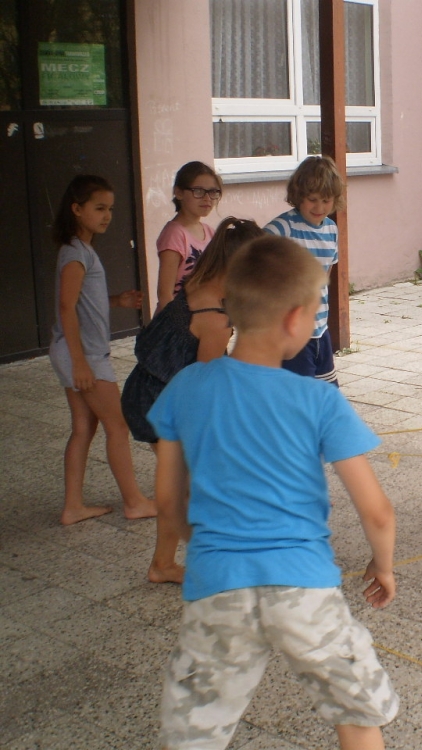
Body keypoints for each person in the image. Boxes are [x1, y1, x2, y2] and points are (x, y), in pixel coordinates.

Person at [148, 235, 399, 750]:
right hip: (305, 589)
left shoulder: (186, 387)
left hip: (217, 586)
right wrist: (384, 565)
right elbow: (376, 511)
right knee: (356, 712)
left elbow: (170, 502)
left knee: (196, 729)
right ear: (295, 319)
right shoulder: (319, 400)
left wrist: (206, 547)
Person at [122, 217, 264, 584]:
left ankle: (168, 562)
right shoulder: (214, 319)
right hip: (159, 401)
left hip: (147, 387)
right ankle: (171, 564)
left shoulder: (198, 282)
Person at [47, 175, 157, 526]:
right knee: (117, 425)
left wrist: (116, 301)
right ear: (77, 209)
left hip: (75, 353)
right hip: (84, 355)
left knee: (84, 427)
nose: (107, 215)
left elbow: (82, 301)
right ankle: (134, 502)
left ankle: (73, 507)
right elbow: (66, 307)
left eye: (109, 208)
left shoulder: (79, 250)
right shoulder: (76, 254)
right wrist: (80, 363)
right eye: (99, 208)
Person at [265, 155, 343, 385]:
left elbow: (325, 275)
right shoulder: (282, 228)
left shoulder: (331, 229)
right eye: (312, 199)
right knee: (299, 399)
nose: (319, 207)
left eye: (326, 200)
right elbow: (251, 265)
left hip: (320, 329)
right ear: (299, 195)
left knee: (326, 395)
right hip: (291, 335)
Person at [155, 161, 223, 312]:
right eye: (198, 191)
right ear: (179, 193)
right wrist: (177, 324)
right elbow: (165, 294)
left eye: (213, 192)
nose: (207, 198)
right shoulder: (174, 234)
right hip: (176, 319)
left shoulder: (210, 232)